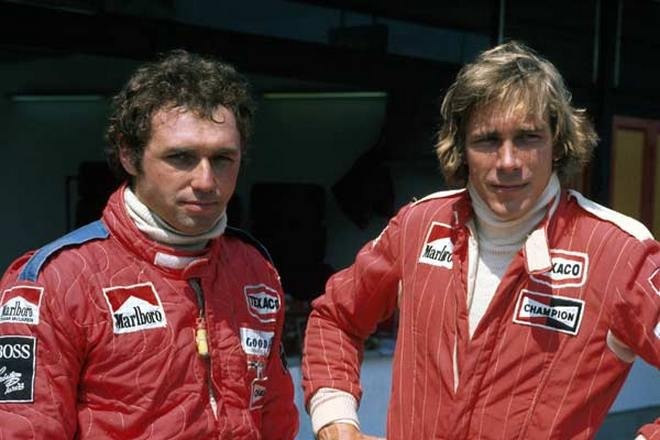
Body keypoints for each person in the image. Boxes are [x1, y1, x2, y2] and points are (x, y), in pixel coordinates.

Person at [302, 41, 659, 440]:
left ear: (557, 142)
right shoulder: (419, 226)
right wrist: (336, 421)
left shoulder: (618, 253)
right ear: (461, 147)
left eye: (528, 138)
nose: (508, 162)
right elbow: (336, 318)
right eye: (487, 140)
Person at [0, 49, 298, 439]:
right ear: (129, 154)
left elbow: (276, 420)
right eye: (181, 157)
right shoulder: (54, 282)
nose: (206, 181)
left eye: (223, 158)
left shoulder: (254, 269)